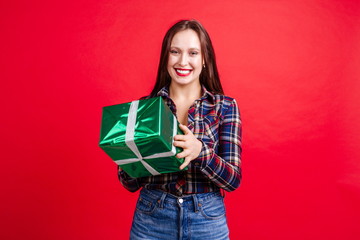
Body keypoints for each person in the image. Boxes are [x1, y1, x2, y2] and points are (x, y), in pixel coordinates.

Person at [118, 19, 242, 240]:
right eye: (175, 51)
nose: (183, 61)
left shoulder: (225, 106)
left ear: (205, 59)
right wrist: (133, 156)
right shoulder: (146, 107)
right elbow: (128, 183)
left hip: (207, 220)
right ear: (166, 56)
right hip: (151, 218)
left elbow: (232, 180)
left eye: (193, 53)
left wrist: (200, 152)